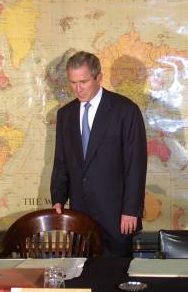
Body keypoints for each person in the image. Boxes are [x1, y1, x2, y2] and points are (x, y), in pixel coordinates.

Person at [50, 51, 147, 257]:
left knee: (116, 276)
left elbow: (135, 165)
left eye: (83, 81)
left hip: (117, 216)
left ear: (99, 78)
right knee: (83, 275)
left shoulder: (125, 110)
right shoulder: (65, 115)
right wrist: (58, 197)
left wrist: (131, 210)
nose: (78, 88)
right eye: (73, 82)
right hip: (79, 215)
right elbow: (62, 160)